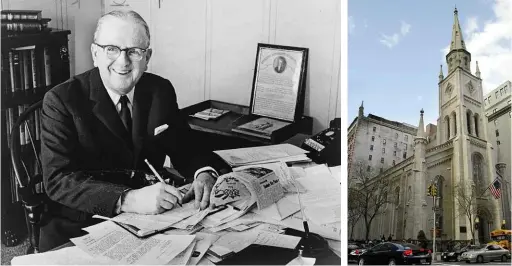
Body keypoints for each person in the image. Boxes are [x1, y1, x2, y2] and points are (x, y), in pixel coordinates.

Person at [39, 10, 227, 252]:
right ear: (95, 54)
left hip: (152, 222)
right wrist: (127, 199)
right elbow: (58, 181)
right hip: (81, 225)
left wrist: (204, 172)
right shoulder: (60, 100)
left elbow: (185, 146)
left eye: (134, 51)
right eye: (111, 49)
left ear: (147, 57)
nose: (123, 61)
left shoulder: (160, 90)